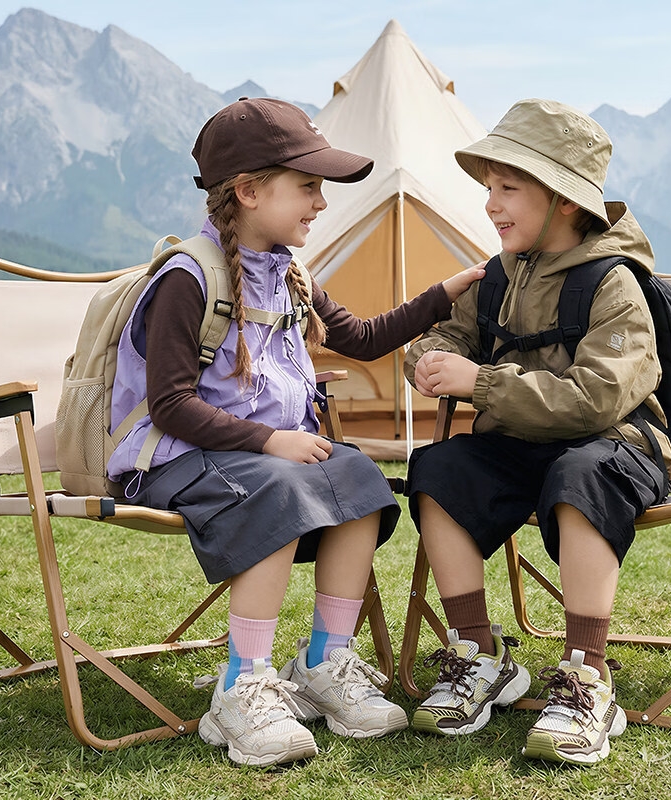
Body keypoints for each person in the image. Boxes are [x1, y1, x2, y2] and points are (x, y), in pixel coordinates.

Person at [106, 97, 485, 767]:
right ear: (249, 192)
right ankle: (242, 683)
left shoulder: (291, 273)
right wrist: (269, 442)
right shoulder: (187, 278)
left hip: (256, 463)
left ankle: (324, 663)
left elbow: (364, 339)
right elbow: (168, 404)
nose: (320, 202)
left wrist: (448, 289)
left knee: (360, 478)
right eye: (308, 186)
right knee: (279, 485)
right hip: (177, 458)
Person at [403, 98, 671, 765]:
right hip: (520, 444)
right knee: (438, 468)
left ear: (565, 201)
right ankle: (479, 651)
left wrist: (481, 383)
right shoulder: (497, 275)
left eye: (508, 188)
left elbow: (597, 399)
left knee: (577, 474)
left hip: (616, 446)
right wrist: (429, 359)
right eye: (489, 187)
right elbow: (448, 333)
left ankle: (587, 675)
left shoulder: (614, 284)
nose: (491, 204)